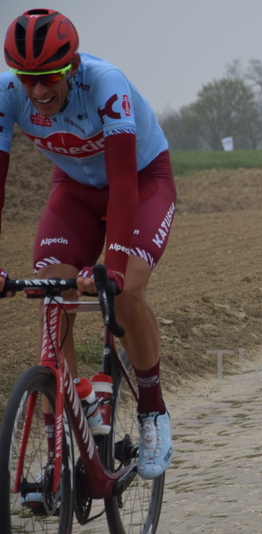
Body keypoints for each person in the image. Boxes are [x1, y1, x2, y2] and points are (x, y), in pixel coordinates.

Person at [0, 9, 174, 480]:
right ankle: (72, 402)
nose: (38, 91)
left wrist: (112, 269)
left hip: (139, 182)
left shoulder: (106, 83)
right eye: (28, 78)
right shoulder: (6, 92)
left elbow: (122, 182)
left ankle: (152, 410)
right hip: (74, 187)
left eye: (49, 77)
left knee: (127, 289)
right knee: (54, 287)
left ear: (71, 65)